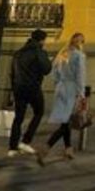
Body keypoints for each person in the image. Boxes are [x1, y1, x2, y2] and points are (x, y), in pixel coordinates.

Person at [37, 32, 87, 164]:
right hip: (71, 89)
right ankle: (46, 147)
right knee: (67, 123)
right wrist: (81, 94)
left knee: (65, 121)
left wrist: (59, 84)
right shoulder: (79, 56)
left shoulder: (62, 54)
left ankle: (68, 149)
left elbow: (54, 74)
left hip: (60, 89)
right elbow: (80, 76)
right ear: (81, 43)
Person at [8, 29, 52, 157]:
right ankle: (25, 141)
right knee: (39, 112)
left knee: (18, 118)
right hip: (33, 88)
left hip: (18, 88)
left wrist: (14, 88)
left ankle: (12, 148)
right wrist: (47, 60)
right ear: (42, 40)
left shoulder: (18, 53)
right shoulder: (39, 52)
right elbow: (46, 69)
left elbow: (12, 72)